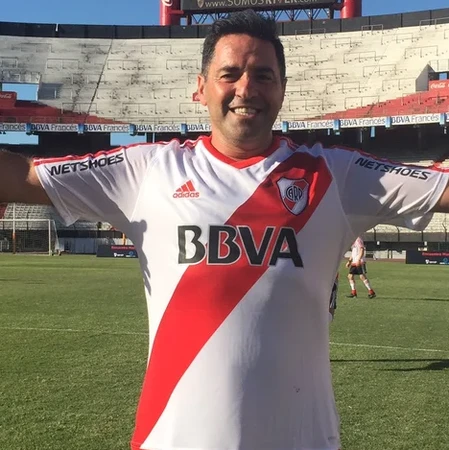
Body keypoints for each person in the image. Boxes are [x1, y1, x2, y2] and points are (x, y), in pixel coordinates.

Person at [1, 9, 449, 450]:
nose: (246, 89)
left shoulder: (336, 175)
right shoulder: (147, 171)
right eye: (229, 74)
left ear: (283, 89)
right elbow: (21, 176)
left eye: (263, 76)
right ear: (201, 88)